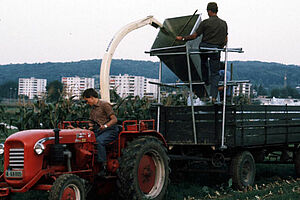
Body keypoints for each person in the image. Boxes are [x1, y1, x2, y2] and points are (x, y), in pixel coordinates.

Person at [176, 2, 228, 103]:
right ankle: (213, 96)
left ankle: (205, 81)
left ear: (209, 11)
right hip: (216, 50)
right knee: (215, 73)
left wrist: (182, 38)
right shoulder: (223, 23)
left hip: (204, 47)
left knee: (203, 65)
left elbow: (194, 36)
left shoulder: (205, 22)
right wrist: (220, 47)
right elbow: (225, 39)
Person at [82, 88, 118, 173]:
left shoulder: (104, 105)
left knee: (99, 141)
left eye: (87, 101)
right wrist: (86, 128)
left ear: (91, 97)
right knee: (86, 140)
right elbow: (92, 122)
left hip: (110, 130)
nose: (87, 103)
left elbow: (114, 119)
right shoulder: (93, 109)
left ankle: (103, 166)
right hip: (99, 130)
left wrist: (105, 126)